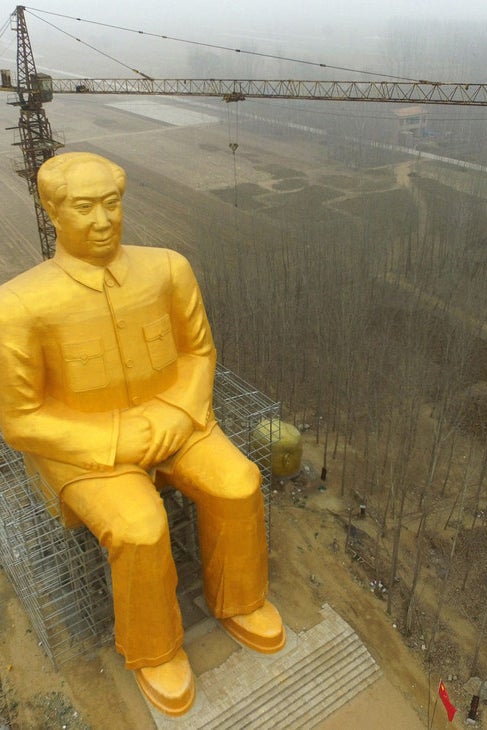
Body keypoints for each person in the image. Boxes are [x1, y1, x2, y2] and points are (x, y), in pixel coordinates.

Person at [0, 152, 285, 716]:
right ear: (53, 212)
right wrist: (115, 440)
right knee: (140, 528)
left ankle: (239, 600)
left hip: (178, 420)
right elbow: (19, 419)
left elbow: (199, 353)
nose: (102, 220)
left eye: (111, 203)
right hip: (86, 448)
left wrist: (181, 414)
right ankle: (154, 649)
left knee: (239, 484)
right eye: (84, 207)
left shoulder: (168, 270)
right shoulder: (19, 305)